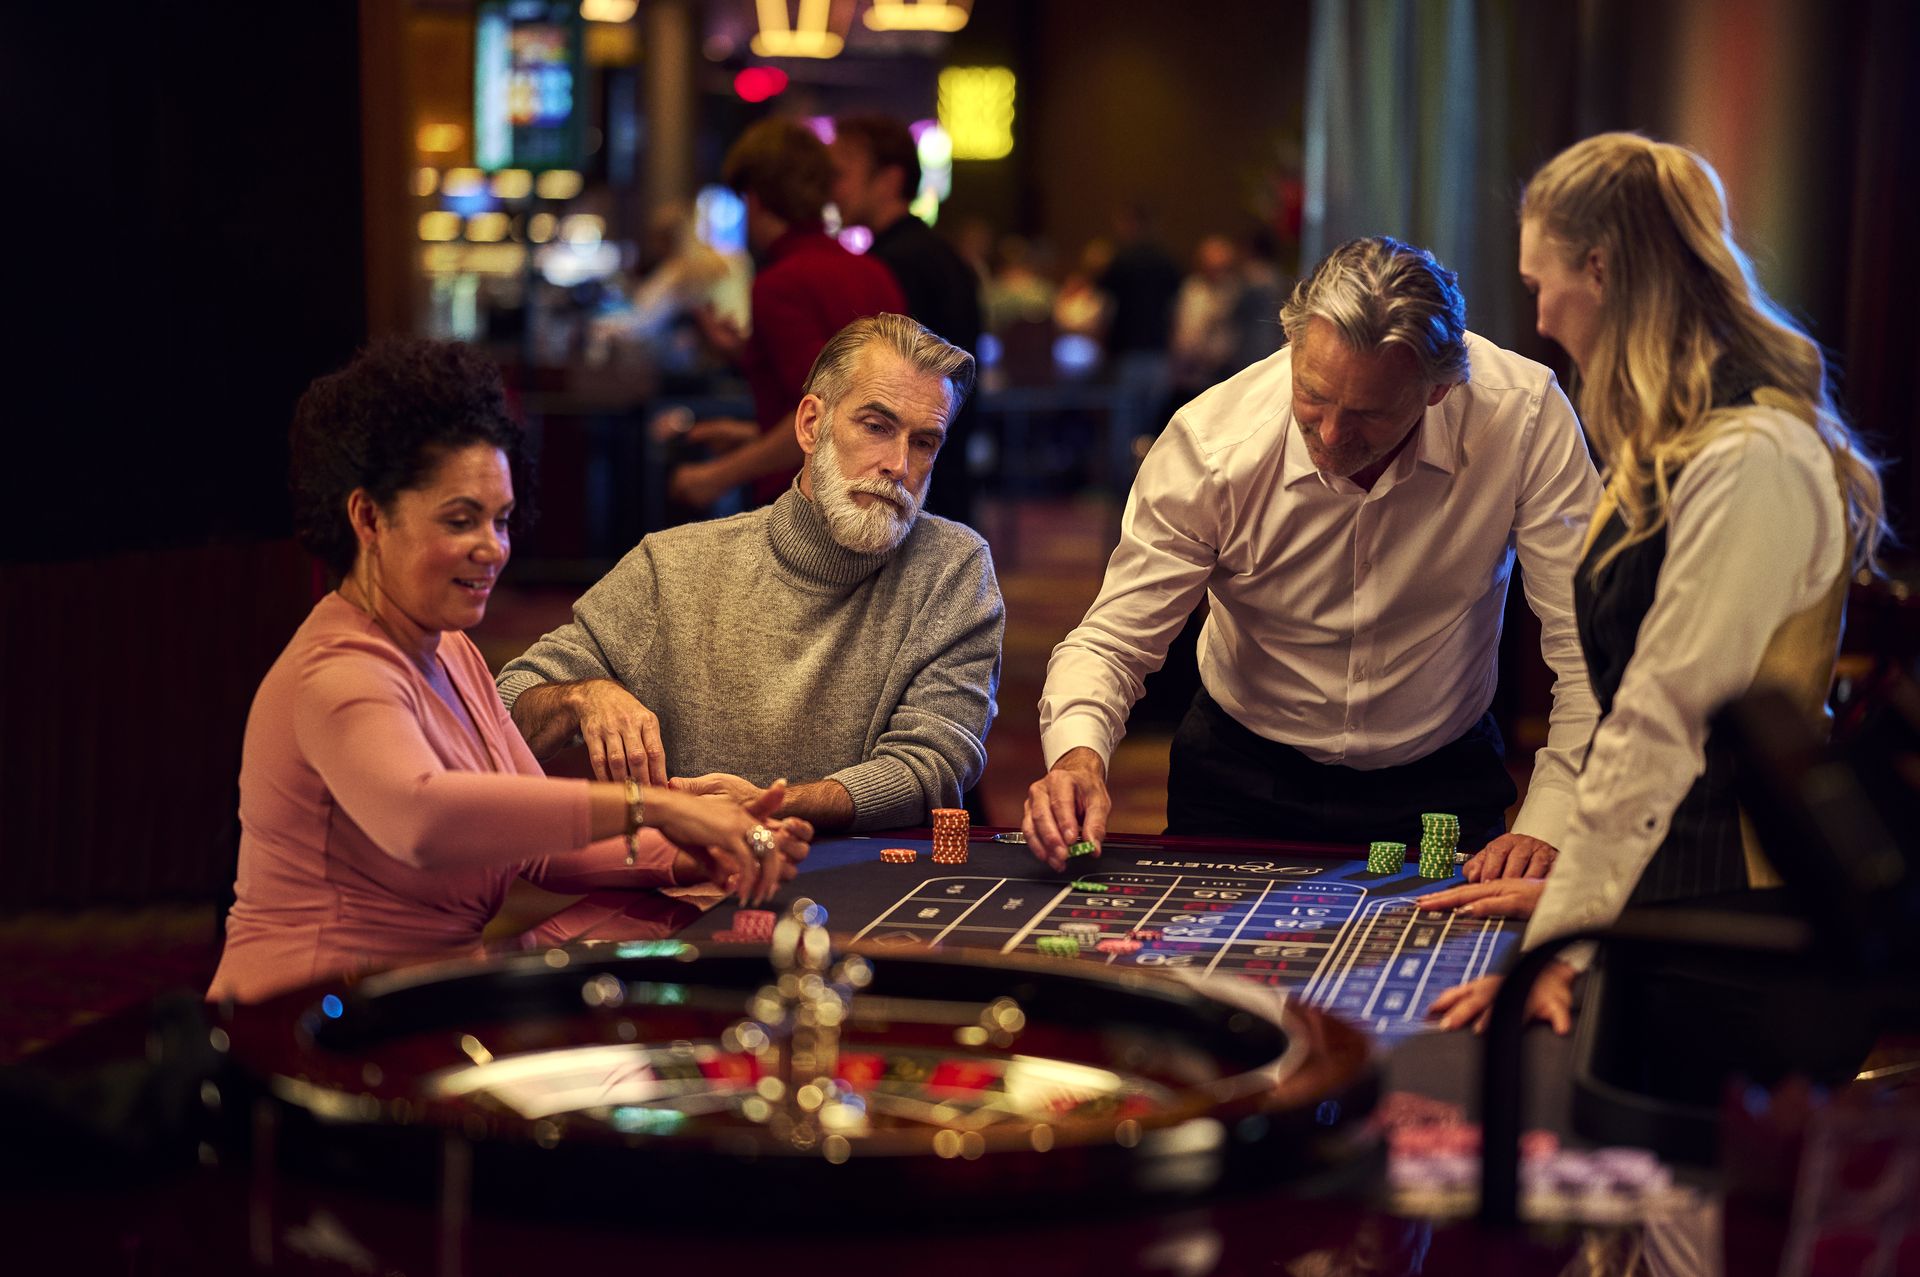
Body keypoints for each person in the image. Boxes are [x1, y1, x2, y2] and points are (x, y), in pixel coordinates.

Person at [1422, 133, 1888, 1043]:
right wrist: (1586, 891)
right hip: (1662, 893)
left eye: (1538, 284)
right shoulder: (1672, 443)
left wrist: (1563, 939)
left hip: (1731, 924)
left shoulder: (1754, 455)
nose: (1543, 318)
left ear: (1599, 268)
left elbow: (1661, 722)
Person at [209, 339, 810, 1005]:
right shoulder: (335, 670)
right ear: (368, 517)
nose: (493, 547)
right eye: (461, 520)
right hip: (305, 1017)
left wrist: (693, 847)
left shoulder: (452, 650)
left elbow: (538, 848)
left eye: (500, 520)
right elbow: (425, 818)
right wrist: (661, 805)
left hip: (419, 995)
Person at [1023, 236, 1603, 876]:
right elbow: (1111, 642)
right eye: (1313, 396)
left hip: (1441, 775)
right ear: (1294, 346)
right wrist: (1079, 757)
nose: (1330, 435)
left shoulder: (1521, 417)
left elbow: (1592, 649)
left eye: (1367, 415)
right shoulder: (1213, 445)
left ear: (1437, 390)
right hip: (1240, 774)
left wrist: (1553, 818)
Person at [497, 314, 1002, 835]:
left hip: (874, 894)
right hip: (695, 891)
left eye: (924, 442)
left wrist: (772, 807)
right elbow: (501, 712)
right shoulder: (674, 567)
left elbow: (935, 764)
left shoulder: (953, 567)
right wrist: (582, 695)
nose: (898, 463)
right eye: (876, 427)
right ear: (811, 425)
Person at [669, 118, 905, 513]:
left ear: (755, 199)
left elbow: (826, 415)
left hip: (807, 508)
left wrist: (713, 477)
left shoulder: (780, 283)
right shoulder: (873, 271)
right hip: (878, 500)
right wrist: (752, 433)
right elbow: (862, 411)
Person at [829, 114, 984, 526]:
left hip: (906, 478)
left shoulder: (890, 266)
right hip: (939, 464)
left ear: (889, 180)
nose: (832, 189)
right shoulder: (946, 255)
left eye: (842, 174)